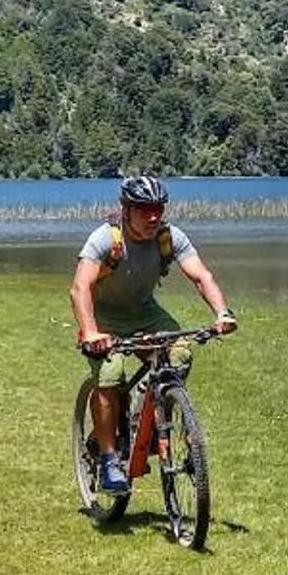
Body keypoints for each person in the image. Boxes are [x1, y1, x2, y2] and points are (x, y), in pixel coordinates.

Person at [70, 174, 236, 494]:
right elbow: (80, 288)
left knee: (179, 354)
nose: (153, 216)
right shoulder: (106, 239)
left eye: (158, 208)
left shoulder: (169, 238)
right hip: (104, 316)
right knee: (110, 372)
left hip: (145, 312)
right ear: (126, 209)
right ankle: (107, 459)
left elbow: (201, 276)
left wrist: (222, 313)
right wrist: (91, 331)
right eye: (144, 209)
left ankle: (150, 412)